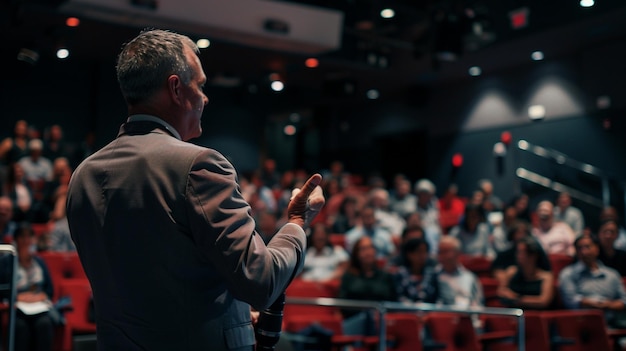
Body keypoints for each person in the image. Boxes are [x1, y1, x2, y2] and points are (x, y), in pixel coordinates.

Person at [65, 29, 325, 351]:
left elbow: (152, 289)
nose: (205, 97)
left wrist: (233, 318)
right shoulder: (198, 165)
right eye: (200, 85)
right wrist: (297, 221)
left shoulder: (82, 176)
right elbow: (262, 281)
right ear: (176, 88)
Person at [0, 223, 55, 351]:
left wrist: (40, 296)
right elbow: (2, 290)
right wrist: (17, 297)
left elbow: (49, 290)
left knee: (45, 324)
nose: (26, 241)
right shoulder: (6, 262)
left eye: (29, 236)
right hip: (17, 310)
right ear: (15, 240)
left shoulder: (39, 262)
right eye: (22, 237)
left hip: (39, 307)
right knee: (20, 327)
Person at [558, 234, 626, 329]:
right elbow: (570, 301)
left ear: (597, 249)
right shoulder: (568, 274)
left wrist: (608, 305)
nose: (584, 252)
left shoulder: (612, 275)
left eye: (587, 247)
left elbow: (624, 300)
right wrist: (593, 303)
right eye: (579, 248)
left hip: (611, 324)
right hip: (581, 326)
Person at [338, 236, 397, 335]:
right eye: (363, 249)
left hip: (381, 321)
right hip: (355, 320)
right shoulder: (349, 277)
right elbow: (343, 305)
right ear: (356, 254)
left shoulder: (385, 276)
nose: (368, 252)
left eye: (370, 248)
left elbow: (393, 302)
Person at [496, 236, 554, 309]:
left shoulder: (546, 277)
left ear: (533, 256)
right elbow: (501, 291)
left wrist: (517, 299)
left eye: (522, 252)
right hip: (515, 316)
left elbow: (544, 301)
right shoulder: (511, 272)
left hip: (536, 316)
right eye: (518, 252)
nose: (518, 256)